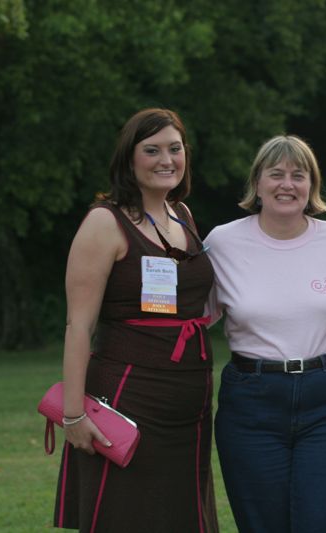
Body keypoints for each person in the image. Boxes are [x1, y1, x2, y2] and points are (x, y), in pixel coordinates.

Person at [54, 108, 218, 532]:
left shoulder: (182, 214)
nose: (167, 160)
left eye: (175, 149)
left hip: (190, 401)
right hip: (128, 400)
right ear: (129, 159)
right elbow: (78, 327)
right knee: (125, 516)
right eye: (152, 150)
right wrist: (73, 415)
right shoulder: (103, 223)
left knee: (182, 516)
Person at [204, 135, 326, 533]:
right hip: (251, 404)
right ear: (256, 184)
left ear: (311, 185)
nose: (287, 184)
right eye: (275, 174)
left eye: (298, 175)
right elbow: (191, 320)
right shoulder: (221, 243)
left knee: (325, 522)